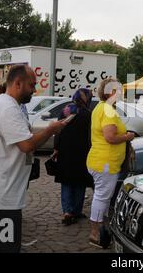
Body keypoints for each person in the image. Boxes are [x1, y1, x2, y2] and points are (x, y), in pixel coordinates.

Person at [0, 65, 67, 253]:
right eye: (31, 85)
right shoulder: (8, 108)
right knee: (5, 250)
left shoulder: (6, 105)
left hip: (2, 196)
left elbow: (24, 135)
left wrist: (47, 129)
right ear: (17, 83)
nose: (34, 89)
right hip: (0, 199)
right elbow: (27, 145)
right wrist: (50, 129)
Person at [86, 78, 135, 248]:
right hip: (105, 161)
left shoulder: (101, 107)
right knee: (102, 197)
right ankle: (95, 233)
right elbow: (110, 137)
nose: (122, 93)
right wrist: (127, 137)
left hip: (101, 160)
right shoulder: (107, 110)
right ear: (111, 92)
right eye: (119, 90)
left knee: (103, 197)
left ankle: (102, 230)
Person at [52, 88, 94, 226]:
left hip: (65, 151)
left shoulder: (65, 110)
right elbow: (90, 136)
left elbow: (57, 130)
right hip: (82, 152)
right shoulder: (88, 114)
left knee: (67, 182)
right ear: (86, 99)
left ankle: (67, 212)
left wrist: (56, 148)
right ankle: (76, 210)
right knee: (79, 181)